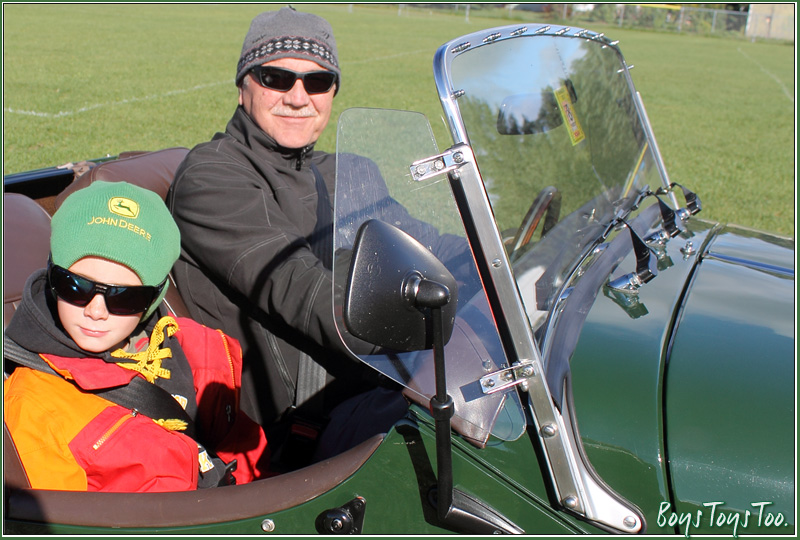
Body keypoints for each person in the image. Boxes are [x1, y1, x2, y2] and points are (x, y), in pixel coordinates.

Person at [166, 6, 411, 466]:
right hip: (297, 439)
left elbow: (424, 244)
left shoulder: (344, 172)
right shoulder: (212, 178)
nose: (298, 97)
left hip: (379, 383)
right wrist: (431, 323)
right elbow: (305, 292)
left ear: (332, 93)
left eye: (317, 82)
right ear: (243, 86)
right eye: (276, 78)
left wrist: (507, 270)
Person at [3, 181, 270, 492]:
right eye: (75, 286)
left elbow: (244, 456)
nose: (96, 310)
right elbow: (60, 514)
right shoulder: (31, 404)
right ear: (52, 276)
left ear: (154, 300)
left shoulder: (192, 349)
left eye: (125, 297)